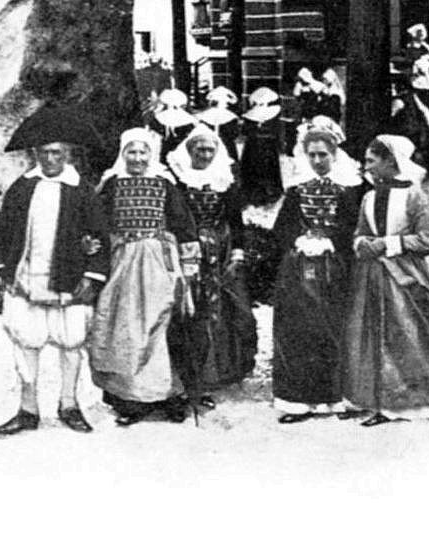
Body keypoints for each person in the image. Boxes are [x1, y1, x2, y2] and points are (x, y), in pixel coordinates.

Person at [341, 135, 429, 425]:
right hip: (371, 276)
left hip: (404, 275)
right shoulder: (368, 196)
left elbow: (427, 239)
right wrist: (362, 243)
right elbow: (360, 231)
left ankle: (404, 403)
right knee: (368, 334)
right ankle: (371, 399)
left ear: (390, 162)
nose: (365, 166)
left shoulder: (413, 196)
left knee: (406, 332)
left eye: (371, 160)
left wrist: (388, 244)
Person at [0, 113, 109, 436]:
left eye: (57, 153)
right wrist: (4, 267)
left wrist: (93, 275)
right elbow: (3, 231)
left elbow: (99, 235)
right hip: (28, 278)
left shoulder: (82, 191)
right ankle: (28, 409)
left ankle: (69, 404)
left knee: (70, 344)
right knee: (27, 343)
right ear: (36, 155)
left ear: (68, 155)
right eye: (45, 152)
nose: (51, 159)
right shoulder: (23, 188)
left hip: (68, 279)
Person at [86, 127, 199, 426]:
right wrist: (93, 245)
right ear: (123, 154)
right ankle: (131, 399)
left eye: (143, 152)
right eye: (131, 152)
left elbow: (183, 224)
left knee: (161, 323)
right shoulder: (112, 184)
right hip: (122, 261)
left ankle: (169, 395)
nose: (137, 158)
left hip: (157, 260)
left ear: (152, 154)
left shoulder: (164, 184)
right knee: (126, 326)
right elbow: (97, 222)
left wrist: (188, 264)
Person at [269, 118, 364, 423]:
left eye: (323, 154)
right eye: (312, 155)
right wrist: (298, 239)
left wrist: (331, 241)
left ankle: (335, 397)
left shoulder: (351, 188)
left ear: (335, 154)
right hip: (298, 269)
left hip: (336, 269)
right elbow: (281, 228)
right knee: (298, 329)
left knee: (333, 327)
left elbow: (356, 228)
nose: (317, 160)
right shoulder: (297, 190)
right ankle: (299, 400)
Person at [166, 124, 257, 399]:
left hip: (221, 248)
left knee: (228, 306)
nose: (204, 154)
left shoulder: (224, 181)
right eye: (199, 149)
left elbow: (235, 220)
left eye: (209, 149)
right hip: (189, 248)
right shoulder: (179, 181)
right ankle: (190, 373)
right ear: (189, 150)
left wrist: (238, 251)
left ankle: (223, 370)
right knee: (191, 308)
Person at [238, 86, 285, 205]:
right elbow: (278, 133)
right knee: (266, 170)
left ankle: (257, 193)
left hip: (255, 147)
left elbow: (244, 131)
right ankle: (265, 194)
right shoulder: (274, 117)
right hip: (265, 147)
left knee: (257, 170)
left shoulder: (258, 118)